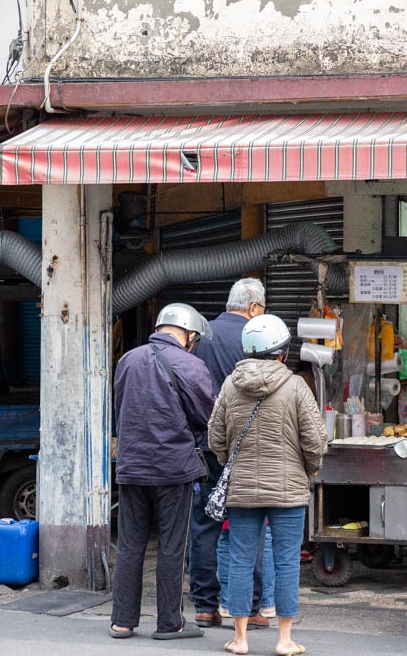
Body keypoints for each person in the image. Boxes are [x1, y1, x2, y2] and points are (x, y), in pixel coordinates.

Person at [208, 314, 327, 656]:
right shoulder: (296, 387)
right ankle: (284, 639)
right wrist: (308, 470)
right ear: (282, 353)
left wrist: (235, 464)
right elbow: (316, 441)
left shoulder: (231, 385)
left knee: (241, 560)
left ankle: (241, 639)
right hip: (288, 491)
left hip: (242, 490)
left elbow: (216, 438)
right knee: (287, 560)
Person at [109, 303, 215, 641]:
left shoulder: (127, 360)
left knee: (129, 545)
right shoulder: (191, 365)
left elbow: (119, 411)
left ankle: (122, 622)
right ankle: (170, 623)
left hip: (132, 466)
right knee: (172, 547)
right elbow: (205, 417)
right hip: (174, 469)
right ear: (187, 333)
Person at [190, 278, 270, 629]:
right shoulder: (254, 337)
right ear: (253, 308)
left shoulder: (201, 336)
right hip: (246, 447)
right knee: (247, 525)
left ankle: (205, 606)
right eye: (262, 310)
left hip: (207, 445)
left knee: (205, 523)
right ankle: (249, 607)